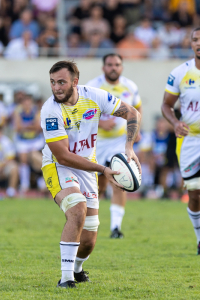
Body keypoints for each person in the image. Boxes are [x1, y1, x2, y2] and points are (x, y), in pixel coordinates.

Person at [41, 61, 141, 287]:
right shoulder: (50, 110)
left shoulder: (94, 96)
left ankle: (76, 269)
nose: (56, 88)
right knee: (77, 208)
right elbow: (63, 156)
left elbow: (132, 113)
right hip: (58, 165)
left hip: (86, 167)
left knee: (89, 238)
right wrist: (104, 170)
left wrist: (129, 147)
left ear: (75, 82)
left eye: (61, 82)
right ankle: (65, 279)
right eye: (53, 82)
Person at [86, 54, 142, 238]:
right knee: (99, 186)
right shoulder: (92, 86)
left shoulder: (130, 86)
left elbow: (137, 108)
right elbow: (82, 113)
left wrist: (136, 130)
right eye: (109, 64)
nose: (113, 68)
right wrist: (100, 124)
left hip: (119, 141)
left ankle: (115, 228)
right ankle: (90, 223)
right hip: (97, 141)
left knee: (120, 182)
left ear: (122, 67)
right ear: (103, 67)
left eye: (117, 65)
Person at [162, 27, 200, 255]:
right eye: (195, 40)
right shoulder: (180, 73)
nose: (198, 43)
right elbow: (166, 105)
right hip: (191, 140)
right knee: (195, 193)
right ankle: (199, 238)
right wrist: (175, 123)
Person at [14, 94, 44, 192]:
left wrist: (25, 126)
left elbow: (38, 127)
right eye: (25, 102)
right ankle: (24, 183)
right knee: (23, 159)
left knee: (37, 158)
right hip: (23, 140)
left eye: (28, 102)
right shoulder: (18, 112)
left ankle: (41, 179)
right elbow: (17, 127)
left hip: (35, 140)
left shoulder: (36, 112)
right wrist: (31, 126)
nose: (27, 104)